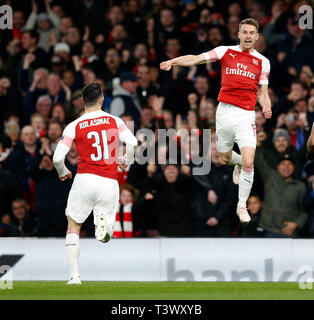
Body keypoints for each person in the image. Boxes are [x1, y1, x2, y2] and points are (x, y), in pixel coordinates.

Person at [160, 18, 272, 223]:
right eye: (244, 32)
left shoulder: (263, 61)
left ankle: (241, 206)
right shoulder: (224, 52)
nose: (247, 36)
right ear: (238, 34)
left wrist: (266, 105)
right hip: (224, 113)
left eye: (251, 33)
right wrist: (173, 61)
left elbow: (263, 92)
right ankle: (236, 164)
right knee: (226, 159)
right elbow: (195, 58)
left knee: (249, 162)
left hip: (246, 114)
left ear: (257, 37)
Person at [53, 82, 138, 284]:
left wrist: (63, 172)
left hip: (84, 179)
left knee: (73, 226)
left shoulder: (74, 125)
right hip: (108, 181)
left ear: (83, 102)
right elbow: (133, 143)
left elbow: (57, 158)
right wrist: (126, 161)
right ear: (101, 100)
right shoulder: (114, 120)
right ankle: (104, 230)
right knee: (105, 234)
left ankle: (74, 277)